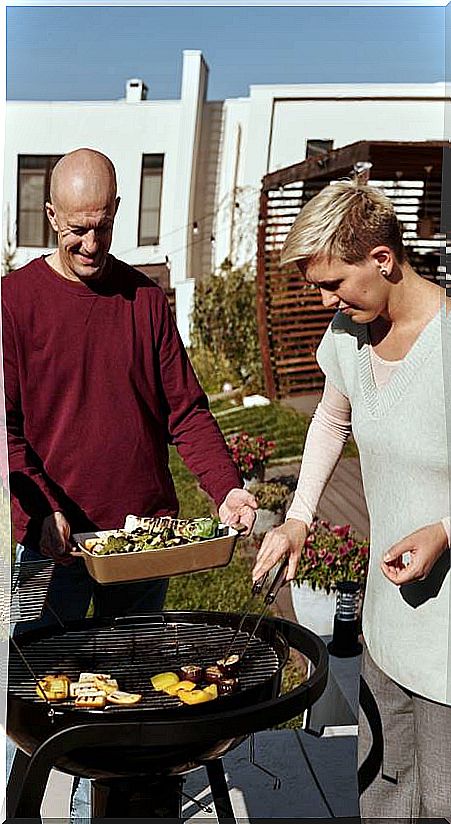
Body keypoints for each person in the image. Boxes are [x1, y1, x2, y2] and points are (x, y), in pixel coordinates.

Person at [2, 147, 256, 815]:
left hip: (144, 542)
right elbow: (8, 430)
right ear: (49, 213)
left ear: (117, 214)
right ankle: (29, 806)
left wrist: (225, 485)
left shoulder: (144, 300)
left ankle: (122, 807)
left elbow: (186, 410)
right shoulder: (13, 302)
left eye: (104, 226)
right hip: (50, 548)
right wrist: (43, 512)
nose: (91, 243)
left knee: (132, 687)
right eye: (76, 228)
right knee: (38, 699)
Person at [252, 175, 451, 819]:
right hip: (387, 627)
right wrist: (300, 520)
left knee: (443, 797)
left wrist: (444, 529)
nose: (325, 297)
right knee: (385, 792)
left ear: (383, 260)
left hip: (448, 636)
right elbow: (331, 419)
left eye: (334, 282)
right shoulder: (349, 334)